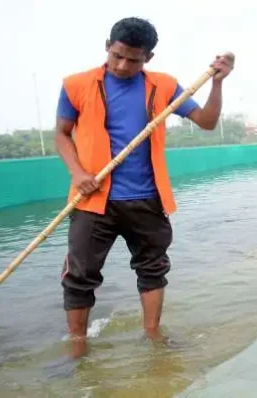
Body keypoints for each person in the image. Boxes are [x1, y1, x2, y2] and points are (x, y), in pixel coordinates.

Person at [54, 17, 234, 355]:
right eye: (117, 55)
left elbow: (207, 122)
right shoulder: (76, 85)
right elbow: (62, 134)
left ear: (148, 58)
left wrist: (218, 83)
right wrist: (77, 172)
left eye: (133, 59)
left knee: (152, 269)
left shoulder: (164, 86)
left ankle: (153, 336)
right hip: (92, 199)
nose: (122, 65)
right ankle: (77, 349)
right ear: (108, 46)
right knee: (80, 275)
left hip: (148, 199)